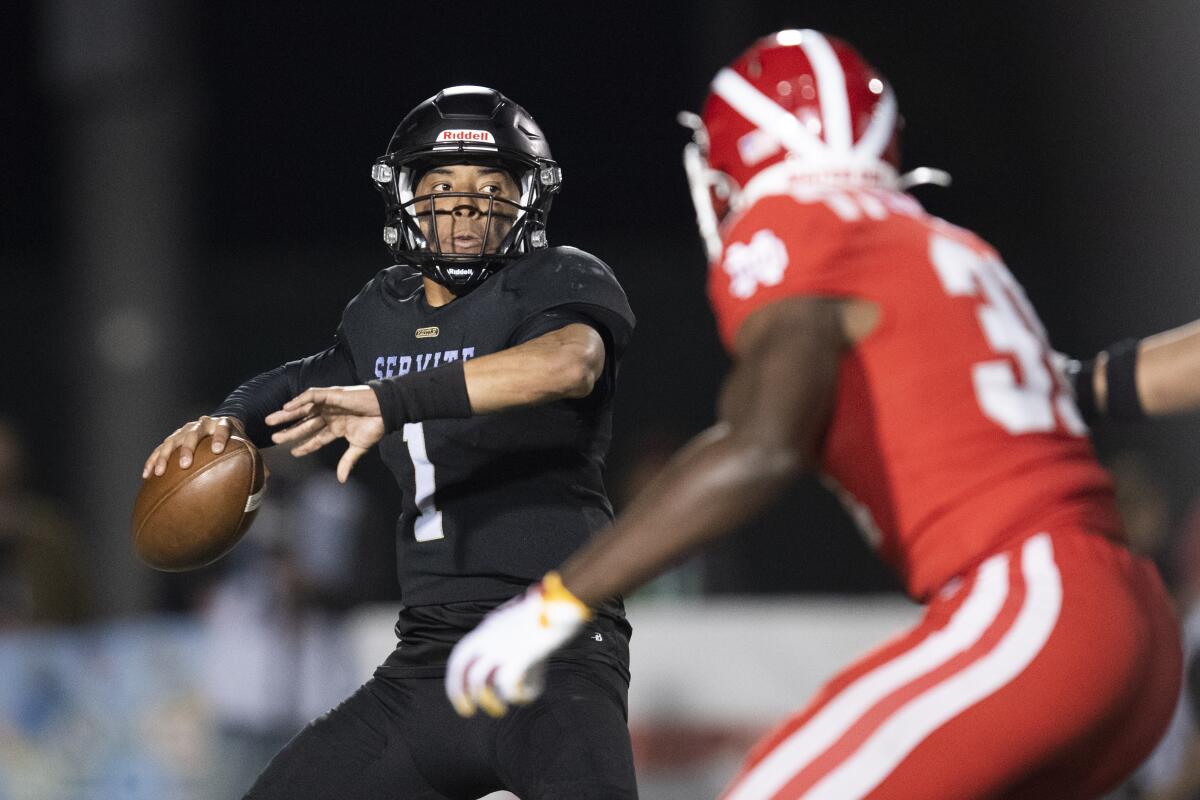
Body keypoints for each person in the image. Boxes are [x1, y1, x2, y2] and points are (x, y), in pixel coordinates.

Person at [437, 32, 1183, 799]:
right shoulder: (942, 242)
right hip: (1127, 626)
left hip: (1035, 604)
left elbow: (761, 446)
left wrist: (557, 601)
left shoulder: (796, 222)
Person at [142, 86, 639, 800]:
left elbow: (567, 364)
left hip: (553, 645)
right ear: (406, 195)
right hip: (426, 665)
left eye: (492, 184)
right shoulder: (383, 311)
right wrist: (229, 419)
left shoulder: (559, 279)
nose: (466, 204)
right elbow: (306, 381)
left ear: (528, 196)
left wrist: (394, 399)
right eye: (441, 184)